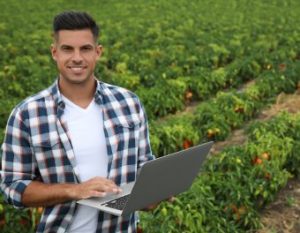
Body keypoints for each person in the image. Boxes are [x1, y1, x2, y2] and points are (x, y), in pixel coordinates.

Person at [0, 11, 155, 233]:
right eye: (67, 49)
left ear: (97, 52)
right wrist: (74, 190)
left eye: (85, 48)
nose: (77, 58)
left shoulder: (128, 103)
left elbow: (144, 165)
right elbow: (12, 187)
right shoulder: (28, 114)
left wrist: (154, 192)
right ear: (54, 52)